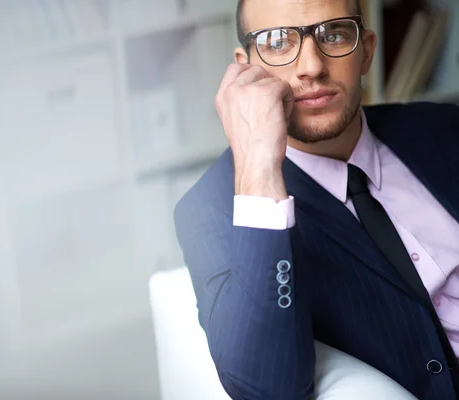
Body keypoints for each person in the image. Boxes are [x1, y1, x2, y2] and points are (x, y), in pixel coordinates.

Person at [173, 0, 459, 399]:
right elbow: (269, 389)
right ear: (245, 68)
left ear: (367, 51)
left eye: (335, 34)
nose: (311, 66)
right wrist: (258, 168)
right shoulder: (210, 208)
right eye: (277, 42)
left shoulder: (444, 127)